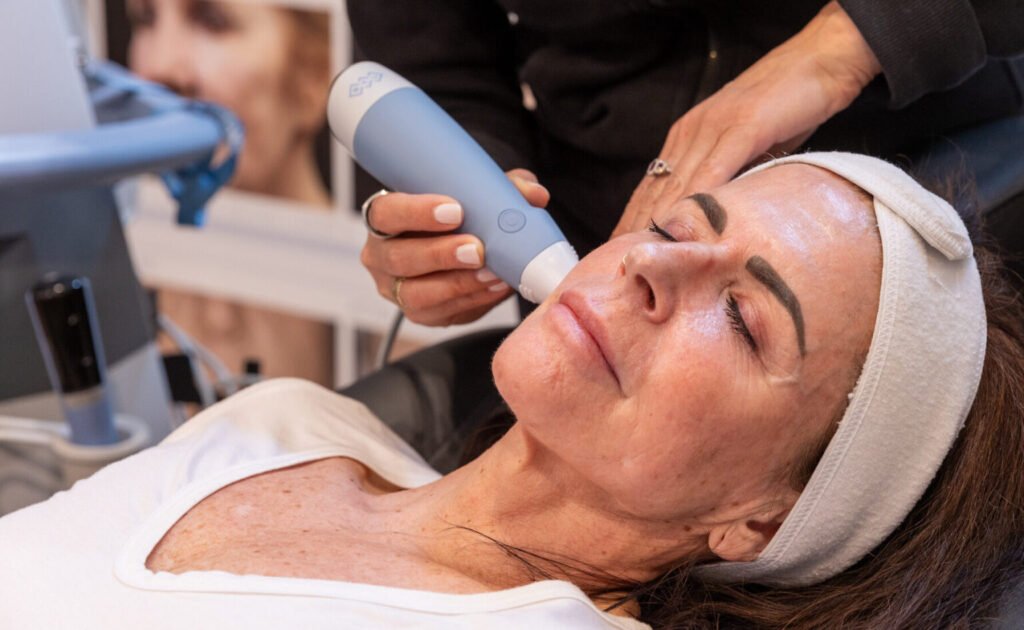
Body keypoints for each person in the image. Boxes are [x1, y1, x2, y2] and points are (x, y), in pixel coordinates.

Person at [0, 153, 1021, 628]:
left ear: (761, 518)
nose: (650, 267)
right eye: (673, 227)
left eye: (745, 318)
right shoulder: (291, 418)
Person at [348, 0, 1024, 327]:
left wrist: (854, 41)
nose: (652, 274)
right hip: (586, 213)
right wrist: (470, 189)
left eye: (746, 328)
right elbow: (441, 67)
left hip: (945, 169)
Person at [124, 0, 336, 385]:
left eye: (213, 21)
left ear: (316, 72)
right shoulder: (119, 278)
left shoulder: (385, 304)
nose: (158, 68)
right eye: (145, 17)